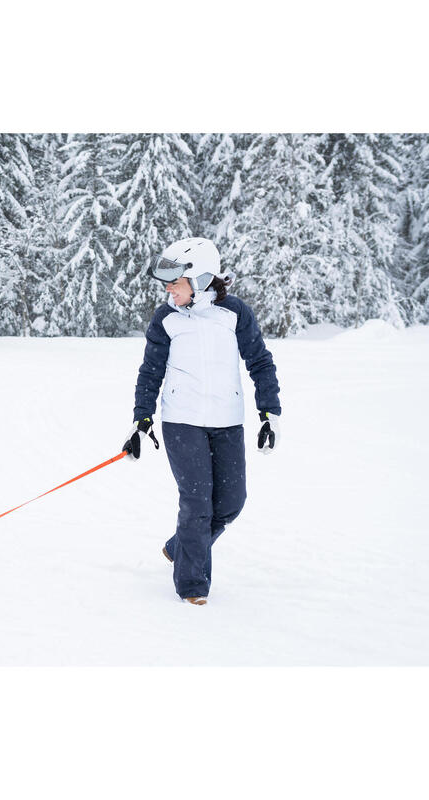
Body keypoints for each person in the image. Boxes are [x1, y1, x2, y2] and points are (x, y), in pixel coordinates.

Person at [122, 237, 281, 606]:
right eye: (166, 283)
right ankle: (192, 585)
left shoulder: (235, 314)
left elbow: (260, 361)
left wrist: (268, 412)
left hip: (227, 421)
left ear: (200, 279)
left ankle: (179, 547)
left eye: (174, 282)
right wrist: (141, 418)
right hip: (182, 422)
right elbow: (151, 372)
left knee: (231, 503)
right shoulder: (167, 319)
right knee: (196, 503)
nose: (167, 290)